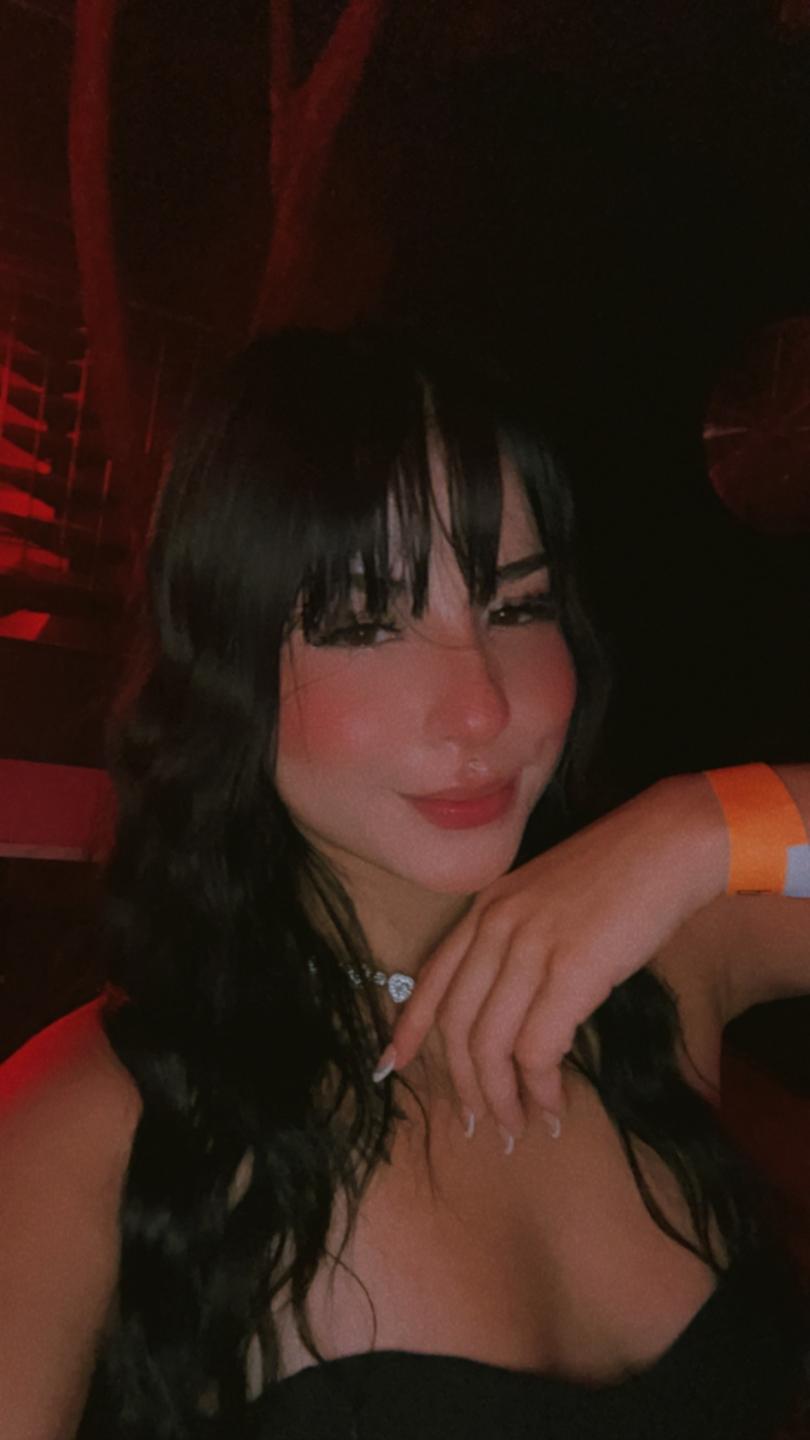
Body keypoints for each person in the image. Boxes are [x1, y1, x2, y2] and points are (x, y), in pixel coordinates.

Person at [0, 328, 808, 1440]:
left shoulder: (666, 950)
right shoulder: (89, 1122)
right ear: (225, 665)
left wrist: (705, 827)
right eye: (365, 623)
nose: (480, 708)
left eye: (517, 607)